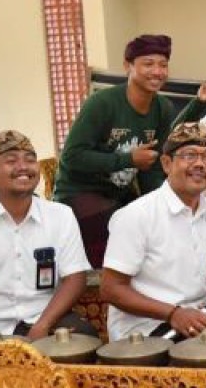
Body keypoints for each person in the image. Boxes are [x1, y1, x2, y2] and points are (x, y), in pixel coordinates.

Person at [0, 131, 94, 343]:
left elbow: (75, 279)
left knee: (84, 338)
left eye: (30, 160)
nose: (23, 167)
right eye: (11, 161)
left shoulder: (61, 215)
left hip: (46, 321)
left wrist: (42, 326)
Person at [100, 123, 206, 341]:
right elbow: (111, 289)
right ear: (167, 164)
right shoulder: (136, 215)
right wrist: (174, 314)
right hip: (145, 331)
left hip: (198, 324)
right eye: (189, 155)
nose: (200, 164)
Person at [54, 34, 177, 267]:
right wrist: (128, 159)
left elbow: (152, 167)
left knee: (156, 230)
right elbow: (71, 157)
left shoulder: (164, 108)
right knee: (117, 240)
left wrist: (160, 205)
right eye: (148, 64)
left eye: (163, 65)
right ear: (128, 66)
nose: (157, 71)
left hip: (119, 194)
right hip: (80, 191)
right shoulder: (102, 103)